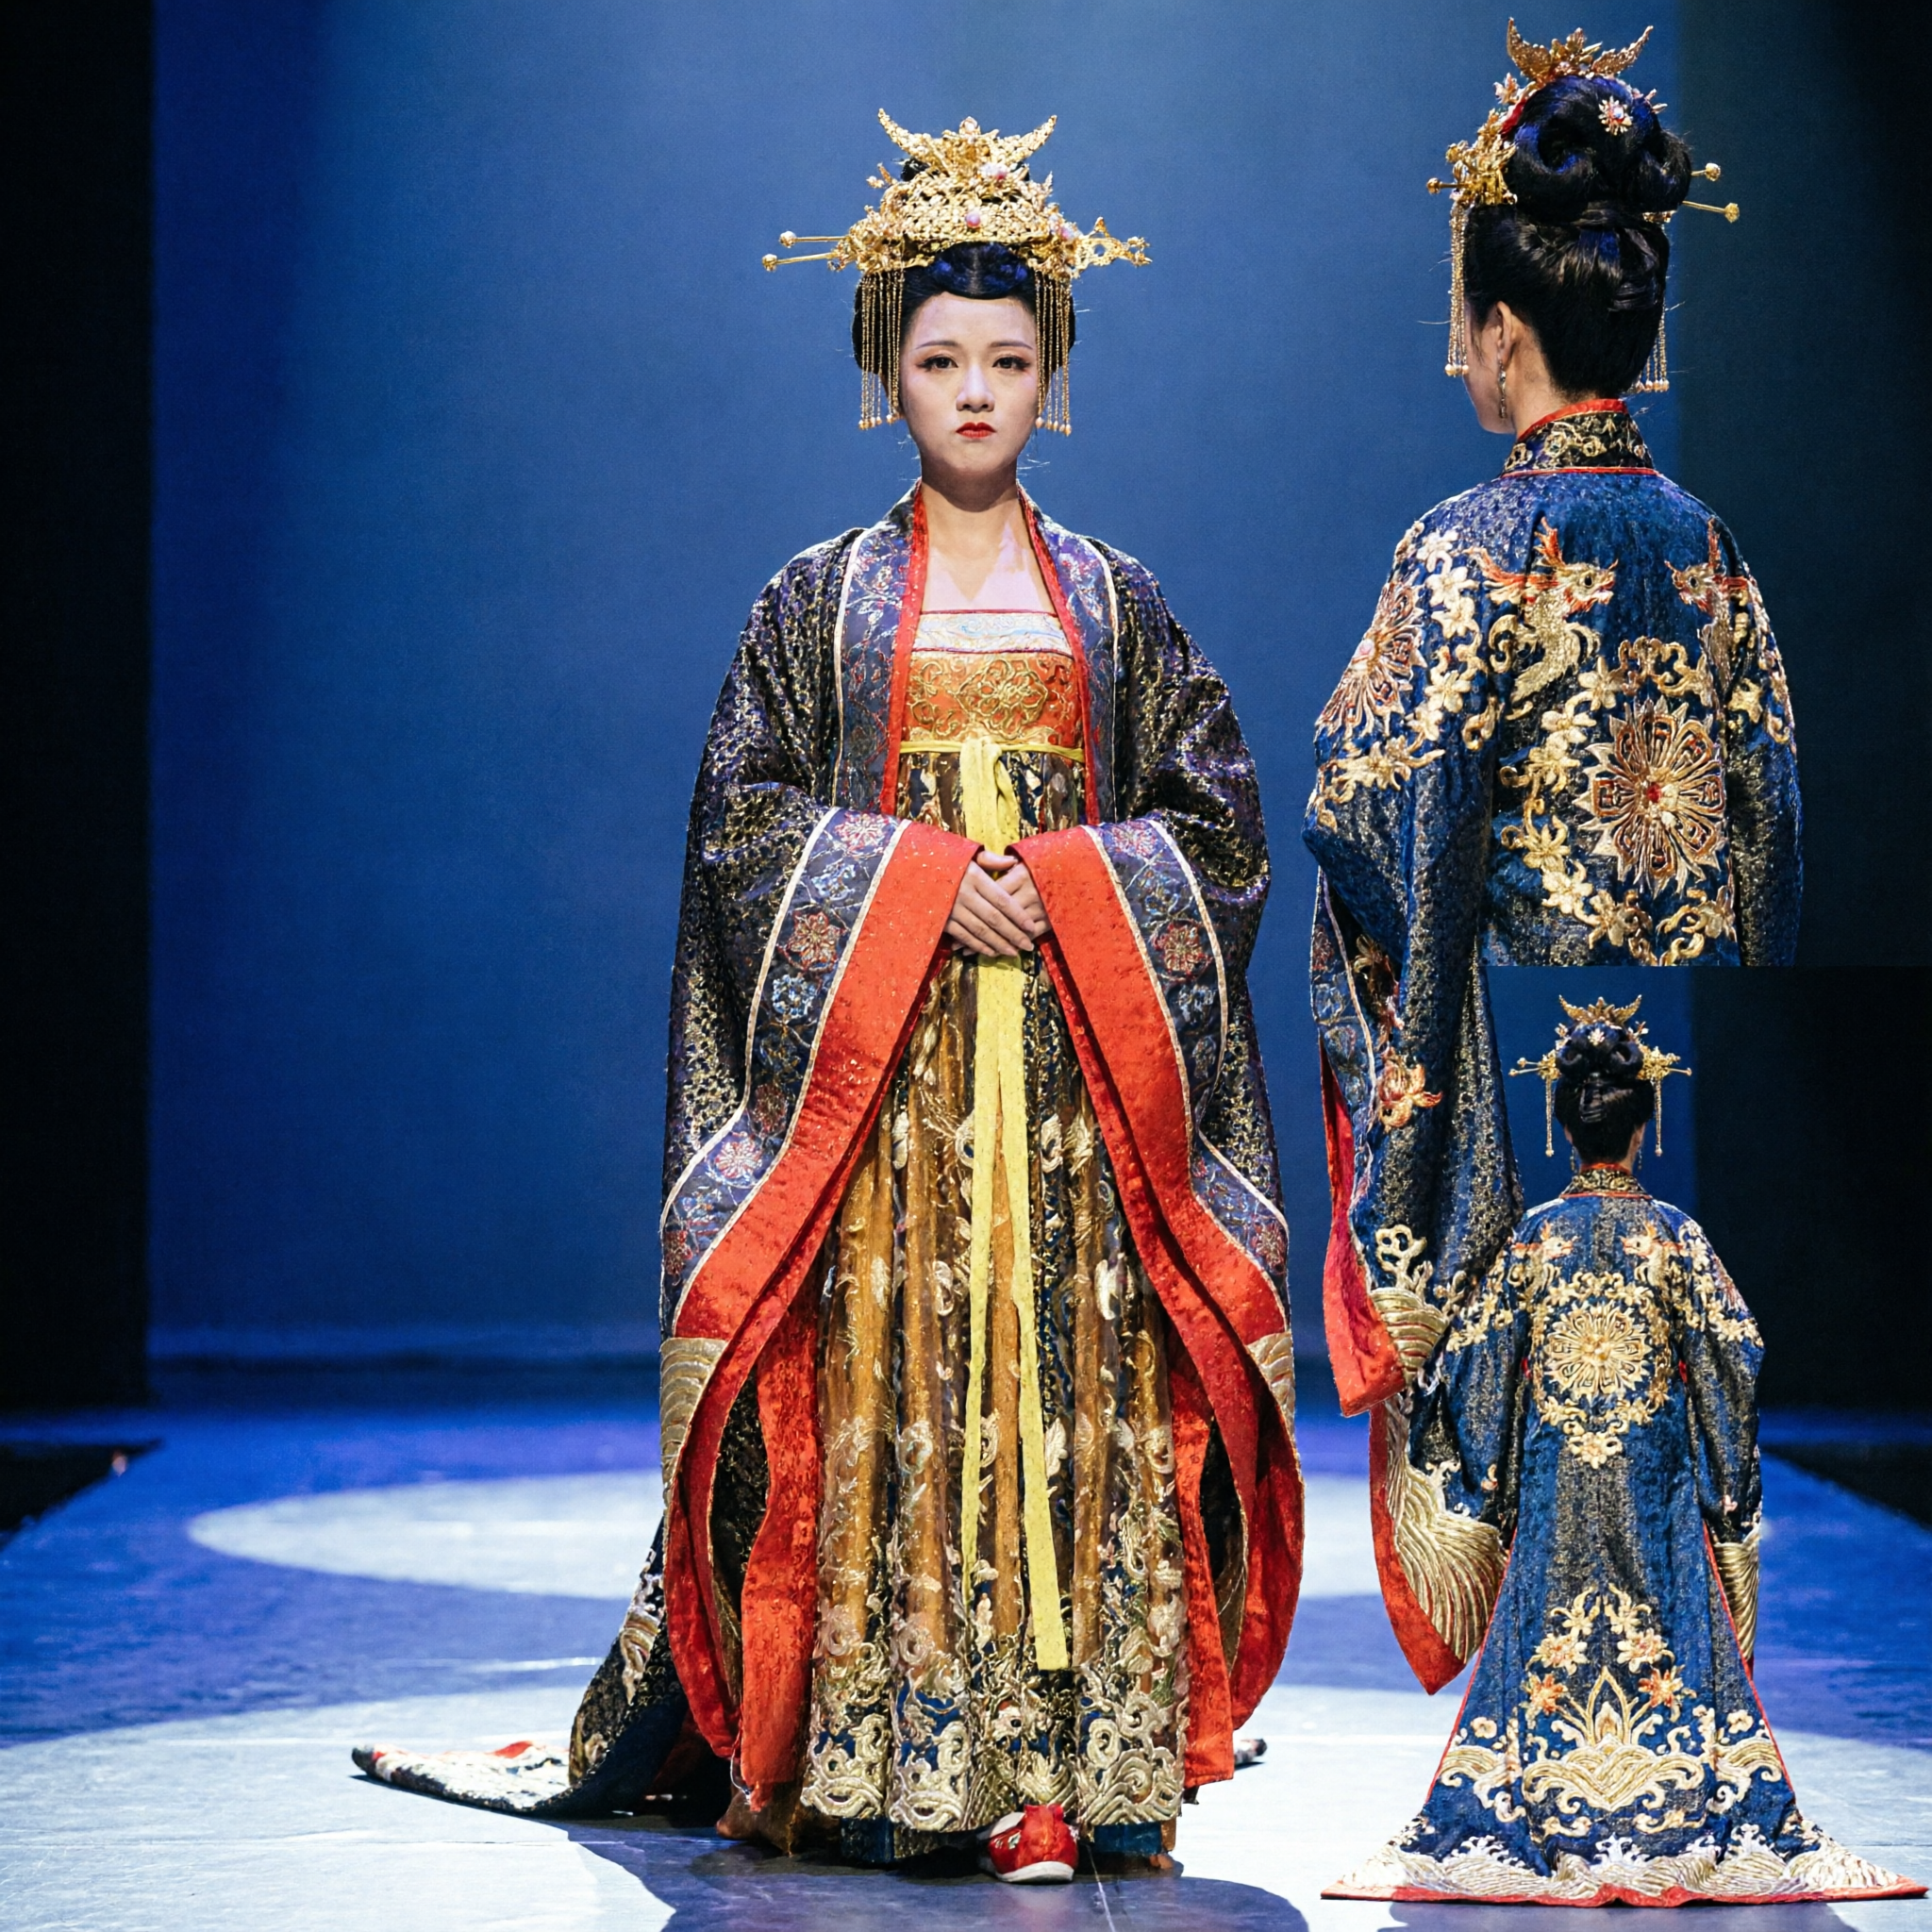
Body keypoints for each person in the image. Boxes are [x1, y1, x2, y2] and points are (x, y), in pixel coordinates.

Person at [355, 111, 1301, 1881]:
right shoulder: (816, 604)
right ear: (885, 366)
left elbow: (1216, 821)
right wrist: (940, 887)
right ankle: (882, 1761)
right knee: (895, 1395)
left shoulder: (1114, 602)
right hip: (886, 1097)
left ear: (1055, 372)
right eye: (939, 357)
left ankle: (1076, 1763)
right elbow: (740, 829)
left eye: (1009, 359)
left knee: (1062, 1386)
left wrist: (1074, 887)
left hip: (1073, 1101)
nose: (974, 391)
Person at [1309, 29, 1804, 1570]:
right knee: (1663, 1381)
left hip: (1523, 1033)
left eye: (1460, 324)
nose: (1458, 350)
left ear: (1504, 330)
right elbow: (1770, 815)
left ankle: (1548, 1700)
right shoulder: (1709, 546)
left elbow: (1372, 807)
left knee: (1541, 1389)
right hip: (1690, 1028)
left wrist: (1399, 1015)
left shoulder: (1463, 548)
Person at [1325, 999, 1919, 1906]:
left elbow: (1478, 1372)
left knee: (1545, 1637)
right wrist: (1729, 1485)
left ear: (1563, 1129)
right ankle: (1681, 1802)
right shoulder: (1677, 1238)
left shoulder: (1532, 1241)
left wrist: (1481, 1463)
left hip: (1560, 1484)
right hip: (1657, 1483)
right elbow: (1734, 1356)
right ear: (1645, 1126)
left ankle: (1549, 1807)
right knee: (1677, 1633)